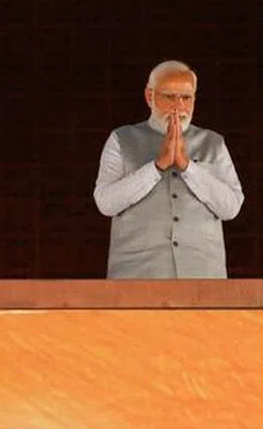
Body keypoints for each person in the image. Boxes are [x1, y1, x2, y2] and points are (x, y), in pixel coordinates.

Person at [93, 60, 244, 279]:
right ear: (149, 96)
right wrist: (157, 166)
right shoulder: (120, 139)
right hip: (136, 278)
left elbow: (230, 207)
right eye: (169, 97)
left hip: (203, 278)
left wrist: (187, 166)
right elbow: (105, 202)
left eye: (186, 98)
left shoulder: (214, 143)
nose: (178, 106)